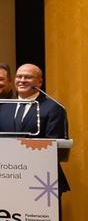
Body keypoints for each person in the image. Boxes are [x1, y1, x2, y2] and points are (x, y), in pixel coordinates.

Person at [4, 63, 70, 193]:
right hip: (9, 177)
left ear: (39, 82)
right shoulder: (4, 106)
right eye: (19, 77)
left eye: (27, 77)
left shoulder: (53, 108)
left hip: (42, 180)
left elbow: (53, 144)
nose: (22, 80)